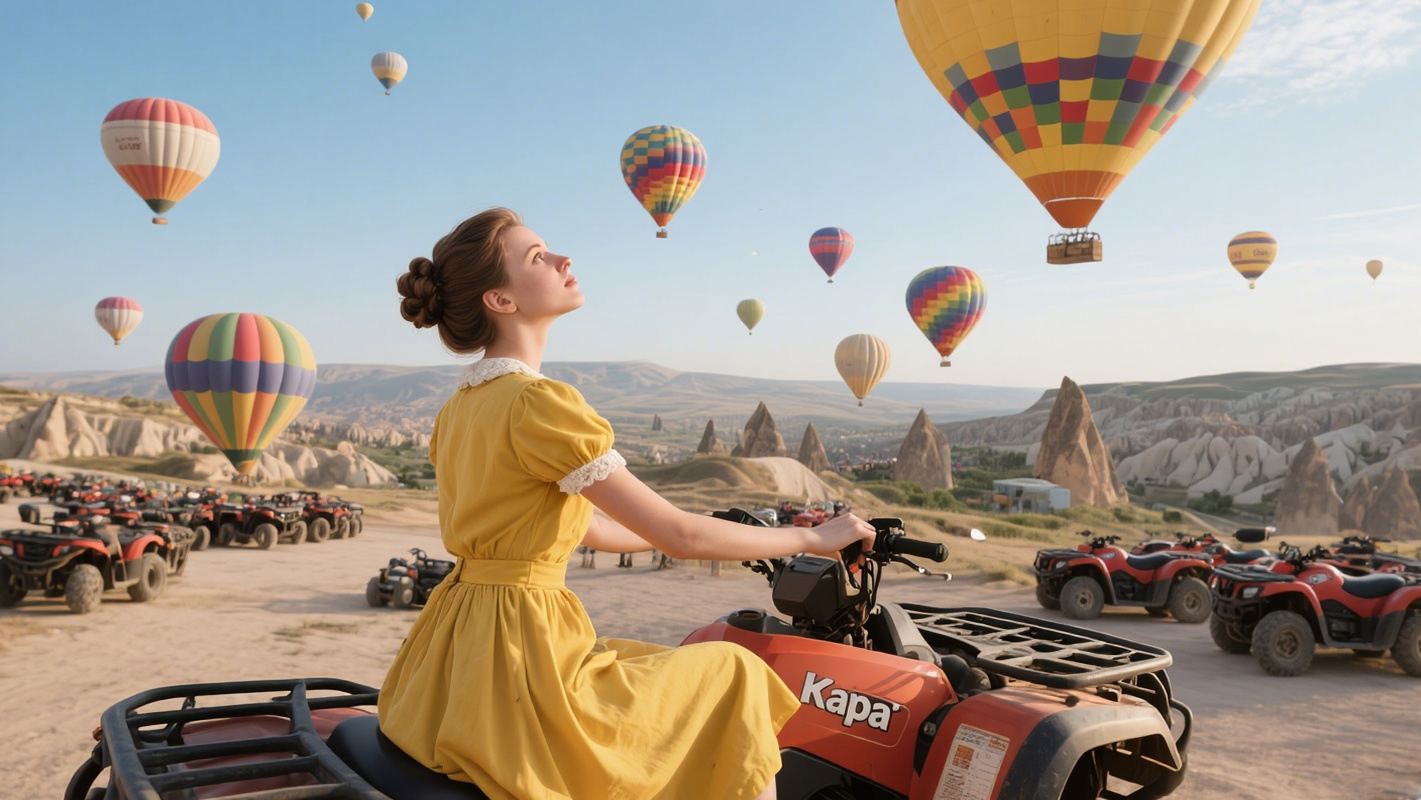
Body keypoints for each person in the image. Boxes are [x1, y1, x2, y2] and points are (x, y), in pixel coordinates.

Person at [381, 208, 877, 800]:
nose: (564, 259)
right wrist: (813, 538)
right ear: (501, 300)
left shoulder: (462, 407)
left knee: (650, 665)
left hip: (458, 650)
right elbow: (680, 540)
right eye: (538, 257)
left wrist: (709, 523)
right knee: (737, 671)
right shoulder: (538, 403)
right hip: (524, 652)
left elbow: (584, 527)